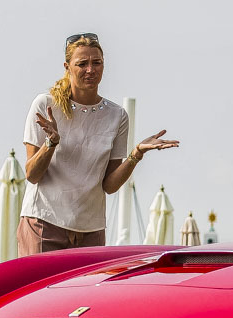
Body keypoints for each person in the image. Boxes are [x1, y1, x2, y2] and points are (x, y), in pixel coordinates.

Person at [19, 33, 178, 256]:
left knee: (87, 293)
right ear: (67, 67)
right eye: (82, 64)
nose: (90, 70)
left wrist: (136, 154)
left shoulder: (117, 116)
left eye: (97, 62)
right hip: (44, 224)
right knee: (41, 292)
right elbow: (32, 174)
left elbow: (109, 186)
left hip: (91, 231)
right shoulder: (46, 105)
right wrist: (51, 142)